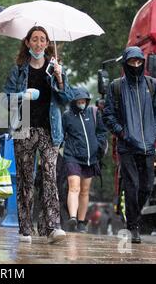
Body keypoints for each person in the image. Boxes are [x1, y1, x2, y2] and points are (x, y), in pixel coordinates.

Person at [3, 26, 73, 243]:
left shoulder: (54, 69)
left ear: (47, 44)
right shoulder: (18, 69)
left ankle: (52, 227)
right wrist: (21, 95)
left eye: (43, 40)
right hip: (23, 129)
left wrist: (60, 79)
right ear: (27, 43)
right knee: (26, 179)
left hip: (49, 130)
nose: (39, 43)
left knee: (50, 176)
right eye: (35, 39)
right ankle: (25, 228)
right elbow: (6, 99)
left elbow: (65, 99)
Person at [103, 46, 156, 243]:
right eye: (132, 62)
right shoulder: (116, 87)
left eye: (139, 62)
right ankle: (133, 226)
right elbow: (108, 115)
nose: (136, 65)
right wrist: (122, 133)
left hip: (148, 146)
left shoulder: (152, 85)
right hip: (127, 146)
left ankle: (133, 217)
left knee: (146, 187)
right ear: (126, 63)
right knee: (132, 185)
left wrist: (154, 134)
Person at [62, 87, 107, 233]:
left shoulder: (93, 113)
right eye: (79, 101)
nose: (82, 103)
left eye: (84, 101)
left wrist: (99, 146)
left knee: (85, 190)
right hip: (72, 156)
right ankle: (73, 218)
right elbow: (61, 135)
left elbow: (101, 132)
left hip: (90, 158)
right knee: (74, 186)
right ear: (74, 102)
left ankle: (81, 222)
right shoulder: (67, 116)